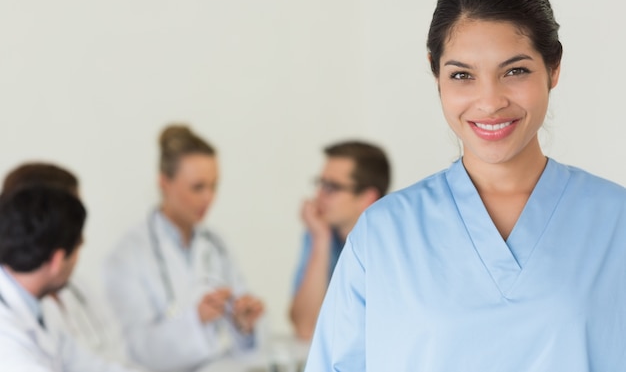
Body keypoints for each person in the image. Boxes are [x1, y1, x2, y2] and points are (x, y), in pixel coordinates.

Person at [304, 0, 626, 371]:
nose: (490, 101)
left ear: (554, 68)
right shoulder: (383, 234)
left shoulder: (617, 221)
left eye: (515, 70)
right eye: (462, 75)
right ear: (436, 75)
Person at [104, 124, 265, 372]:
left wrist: (243, 321)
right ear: (165, 183)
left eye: (214, 186)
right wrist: (196, 319)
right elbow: (136, 348)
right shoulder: (128, 254)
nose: (208, 198)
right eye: (198, 187)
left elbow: (239, 343)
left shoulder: (216, 245)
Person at [0, 185, 143, 372]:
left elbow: (92, 366)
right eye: (77, 249)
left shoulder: (38, 308)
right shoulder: (6, 337)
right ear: (57, 261)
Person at [289, 141, 390, 340]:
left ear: (367, 197)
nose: (318, 195)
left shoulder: (391, 244)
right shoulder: (321, 234)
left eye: (331, 187)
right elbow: (306, 328)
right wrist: (321, 239)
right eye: (320, 183)